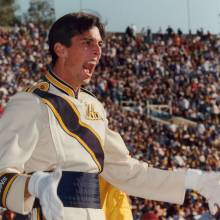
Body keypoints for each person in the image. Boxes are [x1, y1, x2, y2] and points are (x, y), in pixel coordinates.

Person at [0, 12, 220, 220]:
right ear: (60, 49)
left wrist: (194, 180)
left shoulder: (93, 105)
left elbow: (128, 172)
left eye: (100, 44)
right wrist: (33, 185)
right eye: (87, 43)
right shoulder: (30, 103)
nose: (98, 51)